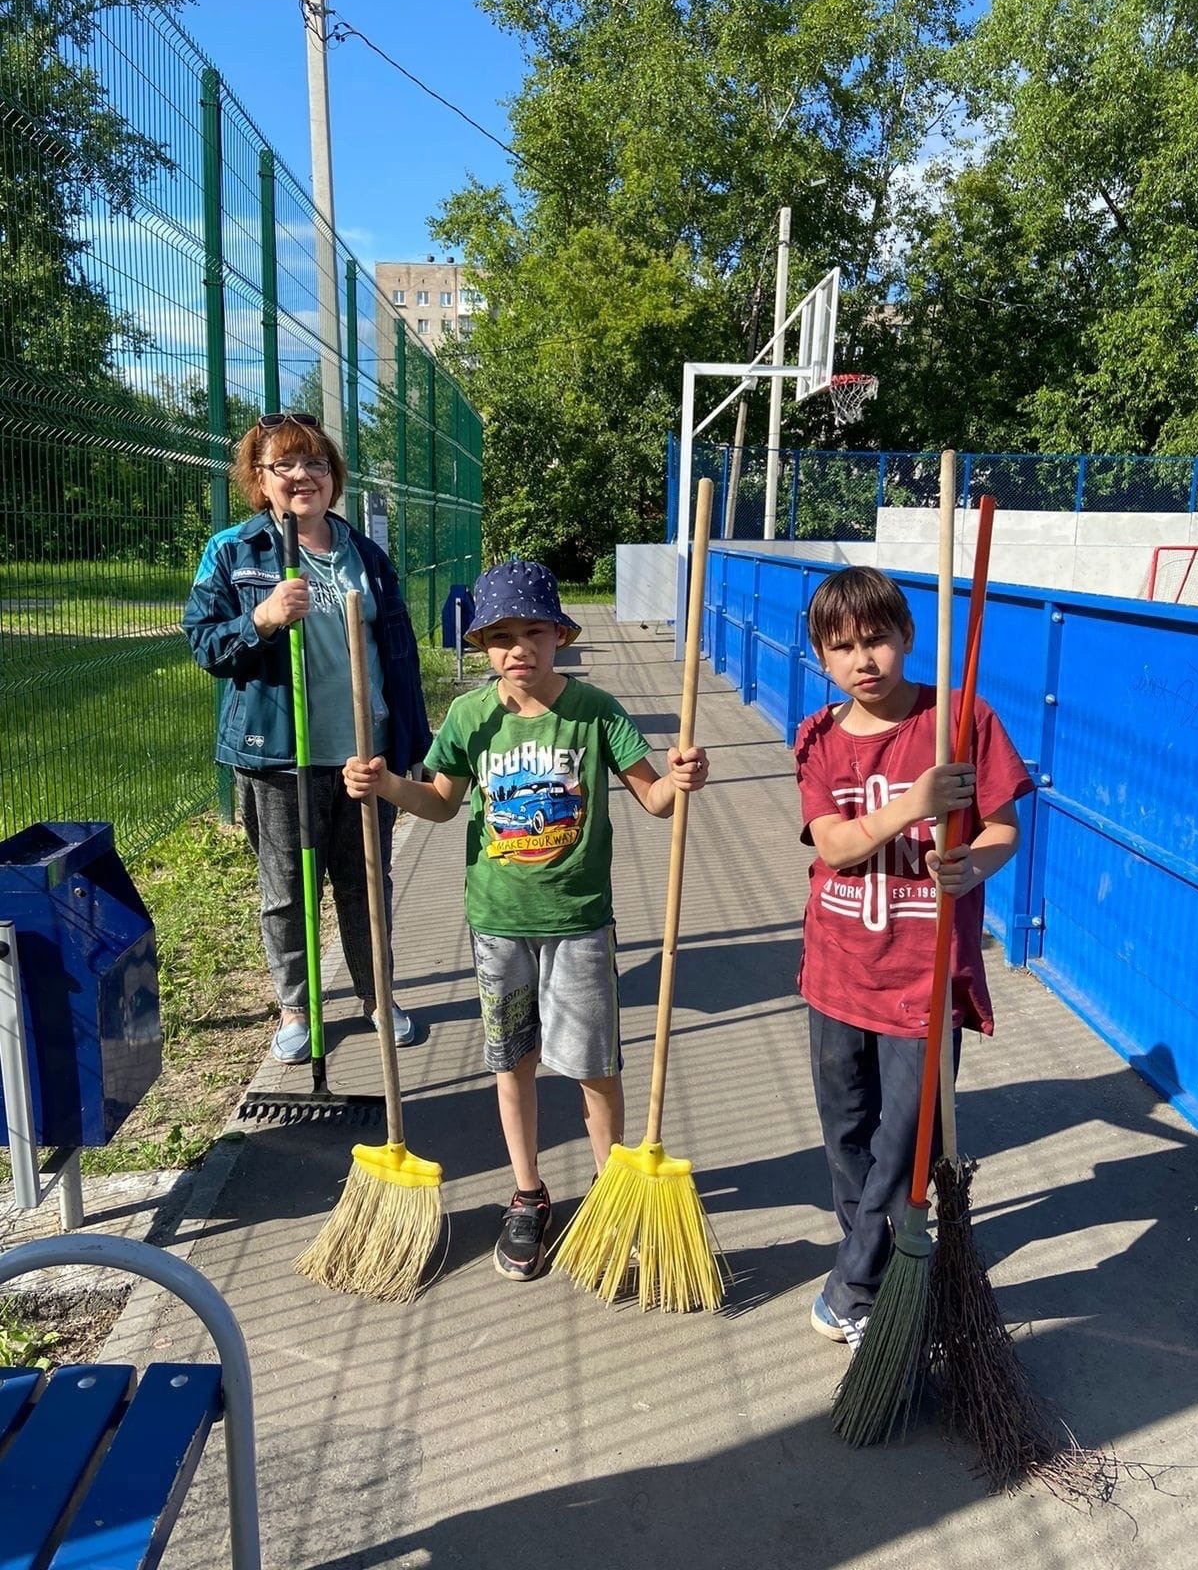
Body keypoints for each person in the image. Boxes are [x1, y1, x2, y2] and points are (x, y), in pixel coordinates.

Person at [343, 560, 709, 1281]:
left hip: (578, 921)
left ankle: (612, 1194)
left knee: (594, 1068)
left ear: (560, 636)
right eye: (502, 636)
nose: (519, 649)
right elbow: (444, 802)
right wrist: (387, 785)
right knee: (512, 1063)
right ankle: (529, 1194)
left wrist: (681, 777)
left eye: (534, 631)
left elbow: (656, 800)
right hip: (498, 923)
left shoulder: (595, 711)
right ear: (481, 647)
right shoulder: (471, 717)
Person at [793, 566, 1033, 1350]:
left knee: (907, 1142)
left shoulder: (960, 720)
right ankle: (885, 1270)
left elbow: (1001, 830)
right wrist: (913, 804)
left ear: (905, 637)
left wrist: (973, 866)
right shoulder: (821, 741)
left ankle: (860, 1283)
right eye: (843, 647)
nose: (864, 660)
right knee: (847, 1135)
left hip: (920, 978)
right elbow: (835, 845)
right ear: (823, 659)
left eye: (877, 640)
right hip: (836, 968)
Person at [183, 412, 431, 1062]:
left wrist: (411, 747)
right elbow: (203, 642)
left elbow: (396, 658)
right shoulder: (234, 552)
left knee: (366, 885)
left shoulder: (364, 555)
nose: (302, 476)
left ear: (334, 476)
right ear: (259, 480)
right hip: (277, 758)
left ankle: (378, 998)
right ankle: (295, 1008)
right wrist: (260, 618)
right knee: (288, 892)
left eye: (315, 463)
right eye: (285, 465)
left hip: (361, 756)